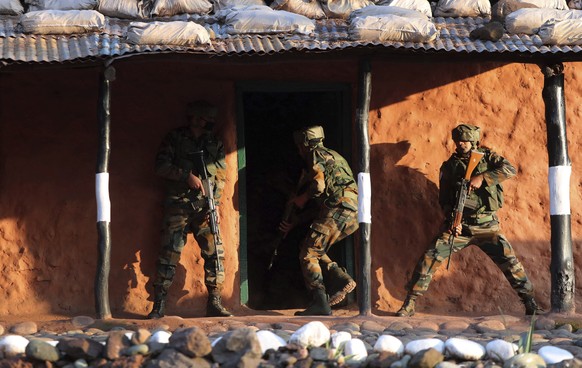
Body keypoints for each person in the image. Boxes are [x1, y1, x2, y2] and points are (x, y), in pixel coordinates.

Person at [396, 123, 542, 317]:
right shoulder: (449, 166)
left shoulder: (488, 158)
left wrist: (483, 177)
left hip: (487, 225)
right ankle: (410, 302)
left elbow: (510, 169)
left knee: (510, 262)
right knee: (430, 256)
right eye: (458, 140)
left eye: (465, 140)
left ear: (474, 141)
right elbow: (445, 199)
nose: (461, 143)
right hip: (460, 227)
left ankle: (530, 303)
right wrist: (452, 222)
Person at [148, 100, 233, 319]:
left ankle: (214, 301)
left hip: (205, 207)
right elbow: (161, 166)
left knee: (215, 253)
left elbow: (221, 176)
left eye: (206, 119)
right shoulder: (175, 138)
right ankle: (159, 304)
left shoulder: (215, 142)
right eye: (200, 118)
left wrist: (213, 202)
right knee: (169, 253)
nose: (203, 122)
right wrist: (186, 176)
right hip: (179, 204)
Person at [279, 125, 359, 316]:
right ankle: (340, 278)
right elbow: (321, 206)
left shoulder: (316, 155)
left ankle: (320, 302)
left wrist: (302, 198)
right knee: (311, 246)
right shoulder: (333, 155)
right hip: (351, 211)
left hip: (339, 208)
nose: (299, 150)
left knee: (308, 253)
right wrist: (296, 220)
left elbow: (318, 187)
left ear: (305, 144)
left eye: (299, 146)